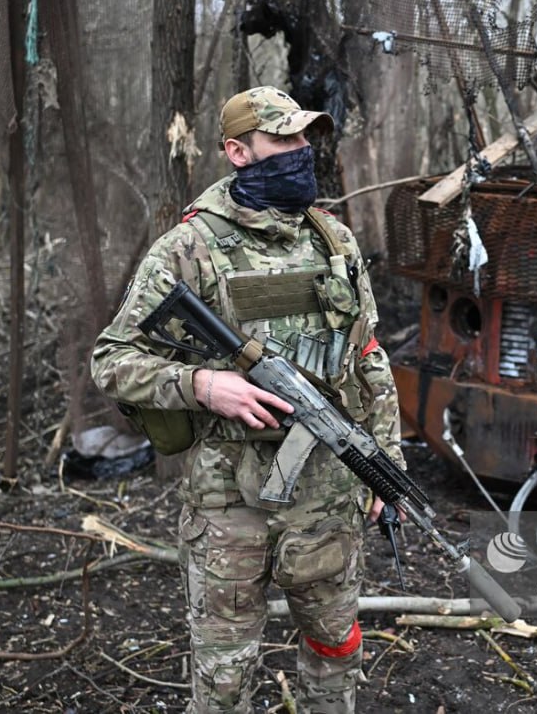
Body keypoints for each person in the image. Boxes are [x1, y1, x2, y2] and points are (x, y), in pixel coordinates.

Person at [91, 86, 403, 714]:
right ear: (237, 152)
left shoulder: (333, 241)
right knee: (226, 674)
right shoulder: (189, 247)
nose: (299, 151)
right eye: (282, 139)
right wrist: (205, 386)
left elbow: (367, 355)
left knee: (335, 648)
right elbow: (112, 360)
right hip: (228, 500)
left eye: (302, 138)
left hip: (329, 492)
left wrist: (385, 463)